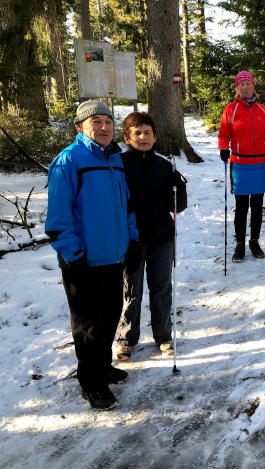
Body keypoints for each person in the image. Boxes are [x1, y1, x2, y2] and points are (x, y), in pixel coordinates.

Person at [45, 100, 140, 410]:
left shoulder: (115, 159)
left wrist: (133, 241)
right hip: (82, 259)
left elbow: (125, 205)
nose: (103, 127)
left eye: (107, 121)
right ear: (80, 127)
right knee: (87, 326)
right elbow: (58, 216)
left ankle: (102, 366)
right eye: (95, 121)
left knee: (110, 315)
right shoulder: (69, 160)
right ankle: (91, 382)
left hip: (113, 256)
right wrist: (72, 254)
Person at [115, 112, 188, 361]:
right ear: (127, 137)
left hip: (161, 236)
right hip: (131, 238)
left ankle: (163, 335)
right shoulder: (119, 164)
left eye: (147, 133)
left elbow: (177, 206)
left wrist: (179, 187)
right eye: (137, 133)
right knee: (131, 289)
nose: (143, 137)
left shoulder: (164, 166)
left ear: (155, 136)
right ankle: (126, 338)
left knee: (161, 287)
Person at [218, 70, 265, 262]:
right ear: (237, 88)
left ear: (253, 86)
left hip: (260, 162)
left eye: (248, 84)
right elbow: (224, 134)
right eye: (241, 84)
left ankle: (255, 241)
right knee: (242, 207)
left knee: (257, 206)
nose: (245, 87)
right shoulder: (230, 109)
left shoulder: (262, 109)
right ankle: (240, 244)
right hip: (240, 163)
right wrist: (223, 148)